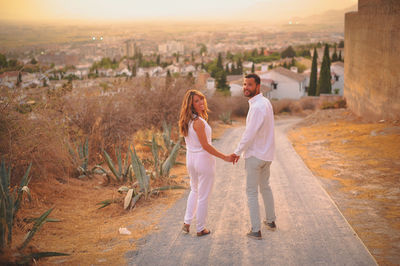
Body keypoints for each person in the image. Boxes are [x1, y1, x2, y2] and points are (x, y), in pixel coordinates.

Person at [179, 89, 234, 236]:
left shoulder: (187, 120)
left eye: (201, 99)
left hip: (190, 159)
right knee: (203, 195)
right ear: (191, 105)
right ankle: (200, 228)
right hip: (202, 160)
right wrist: (224, 157)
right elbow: (206, 146)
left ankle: (187, 222)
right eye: (196, 101)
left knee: (195, 190)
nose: (201, 102)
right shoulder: (198, 122)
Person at [231, 73, 276, 240]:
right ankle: (270, 221)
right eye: (244, 84)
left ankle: (256, 229)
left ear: (258, 86)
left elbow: (248, 135)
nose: (246, 88)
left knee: (251, 192)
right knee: (265, 187)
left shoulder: (257, 107)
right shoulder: (266, 102)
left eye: (249, 85)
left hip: (256, 156)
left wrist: (236, 152)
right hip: (267, 155)